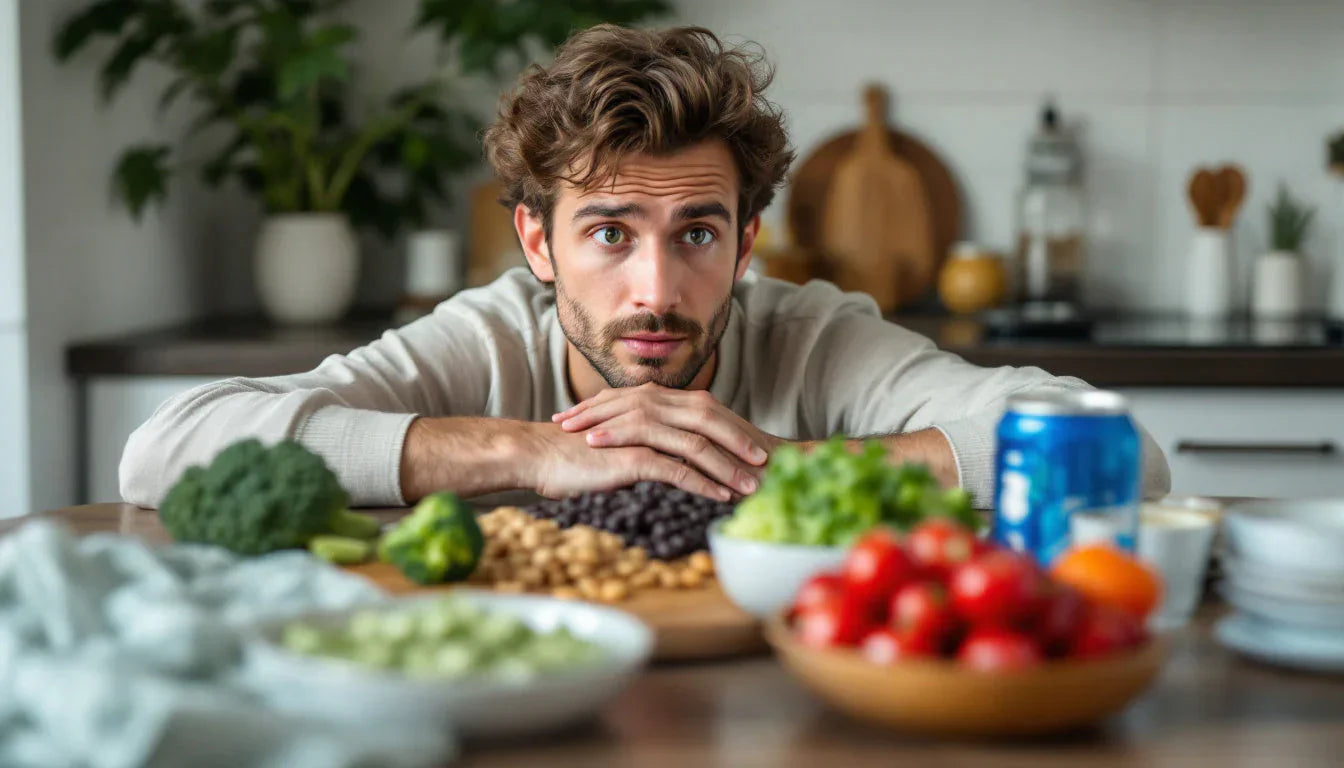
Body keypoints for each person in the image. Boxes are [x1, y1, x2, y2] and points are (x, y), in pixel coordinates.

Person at [120, 25, 1169, 510]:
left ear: (749, 241)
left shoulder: (812, 338)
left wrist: (782, 467)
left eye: (699, 234)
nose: (658, 292)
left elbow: (1118, 448)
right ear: (538, 243)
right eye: (611, 233)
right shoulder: (486, 339)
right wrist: (528, 452)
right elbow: (166, 453)